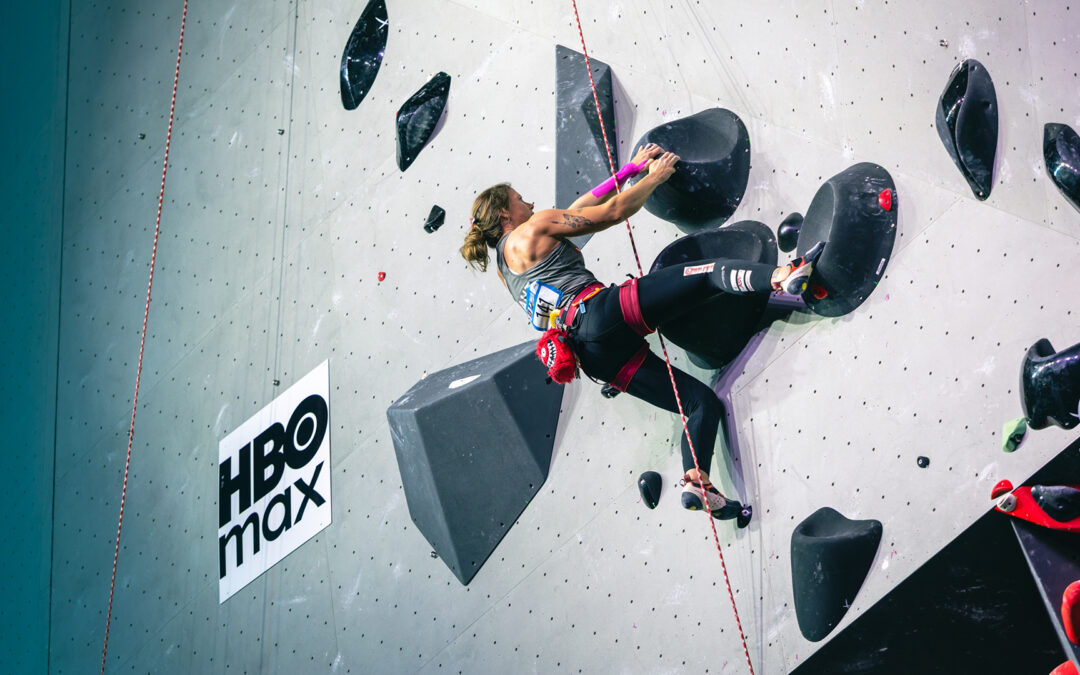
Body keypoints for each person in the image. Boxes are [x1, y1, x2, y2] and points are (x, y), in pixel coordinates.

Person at [459, 143, 822, 525]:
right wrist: (653, 178)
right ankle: (783, 276)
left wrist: (627, 172)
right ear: (505, 213)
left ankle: (696, 480)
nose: (528, 203)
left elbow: (578, 210)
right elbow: (613, 212)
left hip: (594, 356)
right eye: (519, 200)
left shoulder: (504, 269)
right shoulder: (533, 226)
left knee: (699, 404)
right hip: (601, 313)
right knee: (708, 274)